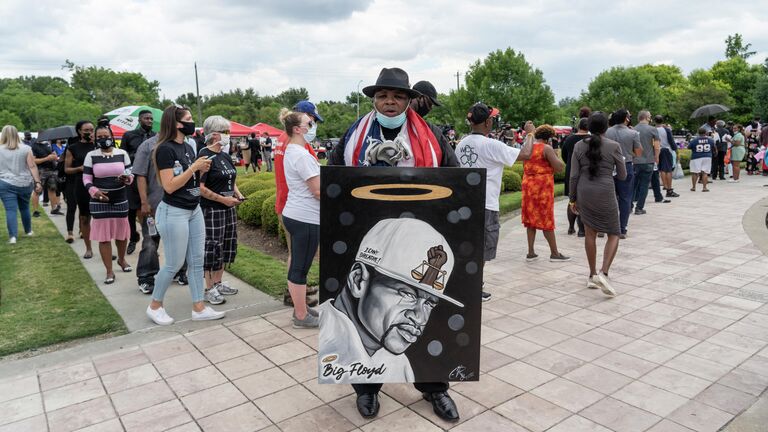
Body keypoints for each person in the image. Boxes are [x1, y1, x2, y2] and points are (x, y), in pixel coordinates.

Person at [329, 67, 459, 423]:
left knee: (421, 310)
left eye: (398, 96)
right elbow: (334, 177)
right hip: (367, 231)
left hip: (420, 228)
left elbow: (457, 176)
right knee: (367, 314)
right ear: (374, 99)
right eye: (383, 95)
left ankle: (435, 387)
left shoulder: (431, 134)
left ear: (409, 100)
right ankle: (367, 388)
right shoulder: (354, 134)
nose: (390, 102)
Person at [318, 219, 462, 381]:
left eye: (429, 303)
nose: (420, 318)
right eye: (407, 294)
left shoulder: (398, 364)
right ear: (358, 280)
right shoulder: (320, 344)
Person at [146, 104, 223, 326]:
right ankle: (155, 306)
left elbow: (189, 180)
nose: (192, 122)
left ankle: (199, 307)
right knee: (174, 263)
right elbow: (169, 186)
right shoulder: (164, 149)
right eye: (188, 118)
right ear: (177, 123)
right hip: (174, 212)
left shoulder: (188, 147)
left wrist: (200, 170)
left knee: (197, 260)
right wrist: (193, 169)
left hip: (193, 209)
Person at [456, 102, 532, 302]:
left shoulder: (462, 143)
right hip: (486, 204)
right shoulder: (491, 145)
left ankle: (467, 283)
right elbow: (525, 154)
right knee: (482, 249)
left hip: (465, 203)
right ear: (488, 121)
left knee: (469, 246)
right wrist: (530, 134)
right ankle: (473, 287)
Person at [568, 112, 626, 296]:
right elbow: (623, 175)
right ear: (606, 127)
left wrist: (572, 198)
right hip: (605, 190)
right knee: (614, 232)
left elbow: (574, 176)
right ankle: (604, 272)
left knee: (590, 232)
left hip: (584, 191)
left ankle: (592, 274)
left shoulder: (578, 145)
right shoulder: (614, 146)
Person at [274, 100, 323, 308]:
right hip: (300, 207)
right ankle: (296, 297)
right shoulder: (297, 146)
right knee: (303, 256)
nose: (313, 124)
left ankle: (295, 292)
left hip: (288, 203)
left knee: (298, 254)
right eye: (311, 120)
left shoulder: (282, 139)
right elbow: (315, 186)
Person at [199, 116, 243, 304]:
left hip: (228, 208)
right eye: (226, 132)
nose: (228, 136)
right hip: (212, 210)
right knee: (212, 248)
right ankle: (208, 288)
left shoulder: (224, 155)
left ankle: (218, 282)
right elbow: (199, 187)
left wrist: (238, 194)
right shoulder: (204, 155)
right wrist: (222, 200)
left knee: (226, 246)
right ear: (215, 134)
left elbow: (231, 180)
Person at [83, 126, 134, 284]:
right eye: (99, 136)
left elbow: (130, 173)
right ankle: (109, 271)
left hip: (120, 198)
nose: (103, 138)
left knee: (121, 234)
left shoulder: (122, 154)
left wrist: (127, 179)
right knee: (104, 238)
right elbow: (86, 178)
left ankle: (121, 259)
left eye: (106, 135)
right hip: (99, 201)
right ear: (95, 138)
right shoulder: (91, 155)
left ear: (112, 137)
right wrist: (94, 191)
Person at [518, 124, 568, 262]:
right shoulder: (546, 148)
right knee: (546, 218)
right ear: (549, 138)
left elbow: (524, 166)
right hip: (542, 187)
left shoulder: (527, 148)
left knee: (530, 219)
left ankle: (531, 252)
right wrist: (556, 156)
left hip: (528, 185)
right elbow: (559, 168)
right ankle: (554, 253)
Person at [120, 110, 156, 255]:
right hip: (132, 177)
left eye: (151, 119)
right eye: (146, 118)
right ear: (140, 120)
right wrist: (138, 155)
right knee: (131, 210)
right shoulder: (129, 135)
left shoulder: (156, 136)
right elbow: (122, 154)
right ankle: (133, 238)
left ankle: (151, 241)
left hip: (149, 178)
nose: (149, 121)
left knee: (149, 211)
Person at [0, 125, 42, 244]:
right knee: (24, 208)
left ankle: (13, 237)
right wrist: (37, 182)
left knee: (10, 210)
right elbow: (32, 166)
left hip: (4, 182)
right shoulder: (26, 148)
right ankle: (28, 231)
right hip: (24, 183)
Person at [605, 109, 641, 238]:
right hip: (626, 165)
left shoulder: (606, 132)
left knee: (608, 197)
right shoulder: (633, 133)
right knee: (625, 198)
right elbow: (638, 152)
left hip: (607, 166)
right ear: (626, 118)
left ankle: (605, 227)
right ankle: (622, 228)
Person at [64, 121, 97, 256]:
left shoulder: (98, 145)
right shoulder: (73, 148)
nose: (89, 132)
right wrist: (79, 168)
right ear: (79, 131)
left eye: (91, 129)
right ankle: (88, 248)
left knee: (101, 218)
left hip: (99, 183)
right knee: (85, 217)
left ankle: (104, 247)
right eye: (86, 130)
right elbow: (67, 169)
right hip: (81, 184)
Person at [561, 117, 590, 237]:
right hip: (586, 172)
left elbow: (563, 155)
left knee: (572, 200)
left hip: (571, 171)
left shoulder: (569, 138)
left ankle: (571, 227)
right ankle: (582, 229)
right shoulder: (591, 140)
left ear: (579, 126)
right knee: (584, 201)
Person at [631, 111, 659, 215]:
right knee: (644, 185)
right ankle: (639, 208)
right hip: (648, 161)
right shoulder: (652, 129)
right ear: (647, 117)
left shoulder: (633, 129)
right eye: (650, 116)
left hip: (635, 161)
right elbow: (656, 146)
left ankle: (629, 206)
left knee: (633, 185)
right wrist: (656, 157)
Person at [30, 139, 61, 217]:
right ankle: (35, 211)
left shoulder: (48, 144)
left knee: (52, 189)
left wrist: (54, 156)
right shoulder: (34, 146)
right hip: (41, 171)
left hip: (52, 170)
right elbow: (33, 161)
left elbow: (54, 155)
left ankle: (54, 209)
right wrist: (46, 158)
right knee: (37, 190)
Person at [654, 115, 679, 197]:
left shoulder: (653, 129)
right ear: (662, 121)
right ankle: (669, 189)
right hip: (666, 150)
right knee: (668, 170)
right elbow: (671, 141)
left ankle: (665, 186)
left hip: (657, 150)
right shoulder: (666, 129)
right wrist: (676, 150)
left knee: (661, 169)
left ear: (655, 121)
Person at [689, 128, 715, 192]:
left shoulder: (694, 140)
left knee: (695, 173)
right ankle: (704, 187)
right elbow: (713, 147)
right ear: (706, 132)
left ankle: (694, 187)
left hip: (696, 157)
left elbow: (689, 147)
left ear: (698, 133)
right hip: (707, 156)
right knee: (705, 172)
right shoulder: (710, 140)